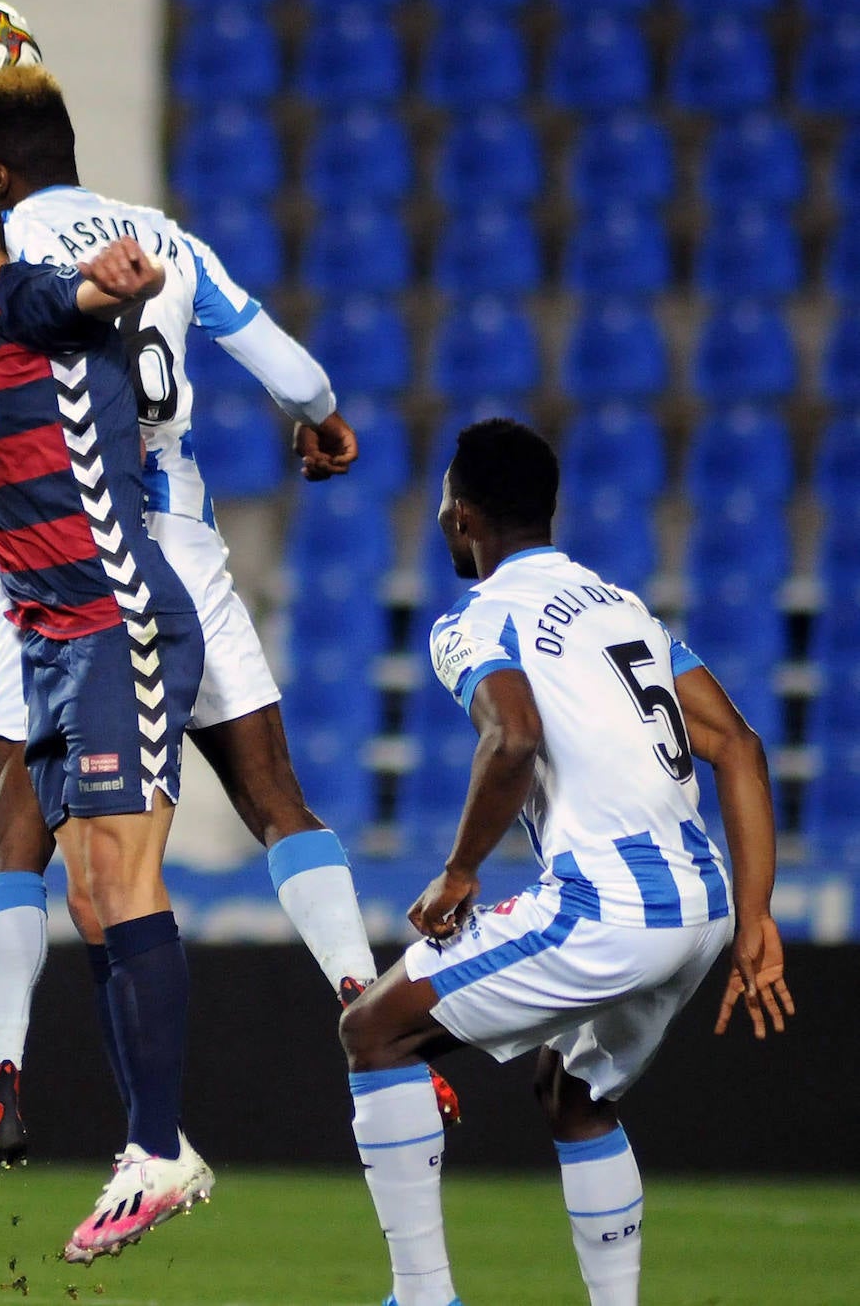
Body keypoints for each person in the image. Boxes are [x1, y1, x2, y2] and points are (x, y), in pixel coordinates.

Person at [0, 62, 458, 1190]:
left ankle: (3, 1084)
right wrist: (319, 423)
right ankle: (369, 1004)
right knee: (273, 799)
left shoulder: (2, 259)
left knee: (24, 838)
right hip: (188, 550)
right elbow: (292, 371)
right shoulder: (172, 240)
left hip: (71, 569)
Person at [338, 418, 794, 1306]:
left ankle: (422, 1296)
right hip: (701, 907)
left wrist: (462, 871)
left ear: (462, 517)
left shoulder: (477, 618)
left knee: (374, 1031)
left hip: (612, 907)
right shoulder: (620, 606)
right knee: (573, 1088)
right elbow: (737, 746)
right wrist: (758, 912)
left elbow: (511, 739)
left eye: (442, 506)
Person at [0, 175, 210, 1261]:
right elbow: (46, 443)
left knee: (122, 878)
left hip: (116, 624)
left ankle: (157, 1151)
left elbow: (64, 303)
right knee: (86, 894)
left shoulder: (17, 300)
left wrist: (107, 281)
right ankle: (147, 1148)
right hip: (50, 645)